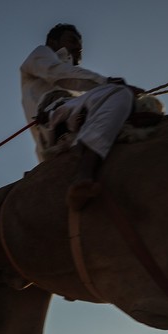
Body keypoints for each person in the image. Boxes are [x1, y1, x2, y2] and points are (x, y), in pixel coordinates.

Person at [20, 23, 140, 205]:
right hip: (55, 116)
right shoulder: (41, 54)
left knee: (129, 103)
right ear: (53, 42)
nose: (78, 48)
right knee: (119, 94)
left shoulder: (80, 90)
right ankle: (84, 171)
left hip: (71, 110)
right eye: (72, 41)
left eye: (80, 46)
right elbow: (59, 73)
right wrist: (106, 82)